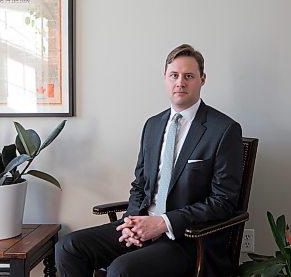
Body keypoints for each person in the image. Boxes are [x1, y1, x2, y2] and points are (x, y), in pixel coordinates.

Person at [55, 44, 243, 277]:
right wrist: (131, 224)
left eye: (189, 76)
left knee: (121, 271)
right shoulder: (153, 126)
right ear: (165, 78)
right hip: (142, 224)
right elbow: (140, 185)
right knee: (68, 247)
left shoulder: (224, 130)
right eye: (174, 75)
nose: (180, 82)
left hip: (187, 239)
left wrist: (163, 223)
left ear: (202, 79)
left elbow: (223, 201)